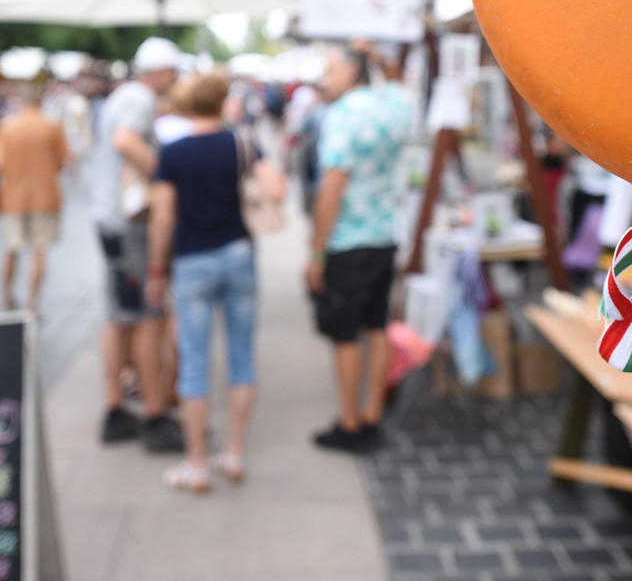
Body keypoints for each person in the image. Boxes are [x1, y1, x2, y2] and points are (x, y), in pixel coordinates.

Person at [145, 73, 284, 492]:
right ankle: (235, 453)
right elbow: (276, 189)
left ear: (186, 107)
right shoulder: (241, 143)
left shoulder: (172, 153)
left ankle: (197, 464)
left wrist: (156, 270)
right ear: (223, 103)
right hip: (238, 254)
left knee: (194, 361)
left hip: (193, 261)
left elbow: (163, 219)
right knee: (241, 355)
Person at [307, 44, 411, 453]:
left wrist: (317, 251)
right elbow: (399, 83)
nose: (324, 78)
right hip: (384, 235)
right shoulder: (395, 103)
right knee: (377, 326)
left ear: (353, 71)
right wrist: (380, 56)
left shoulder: (343, 114)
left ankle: (349, 422)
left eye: (331, 68)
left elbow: (332, 187)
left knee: (345, 334)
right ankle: (372, 415)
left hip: (348, 240)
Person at [92, 38, 184, 452]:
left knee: (121, 316)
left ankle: (116, 408)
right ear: (161, 71)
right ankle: (153, 414)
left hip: (111, 218)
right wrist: (166, 175)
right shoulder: (140, 99)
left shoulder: (125, 96)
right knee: (148, 315)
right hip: (128, 224)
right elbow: (126, 142)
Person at [0, 84, 69, 313]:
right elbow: (62, 161)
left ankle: (7, 296)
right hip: (45, 196)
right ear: (40, 101)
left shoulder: (6, 127)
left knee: (11, 249)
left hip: (13, 197)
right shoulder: (51, 126)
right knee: (39, 251)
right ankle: (32, 303)